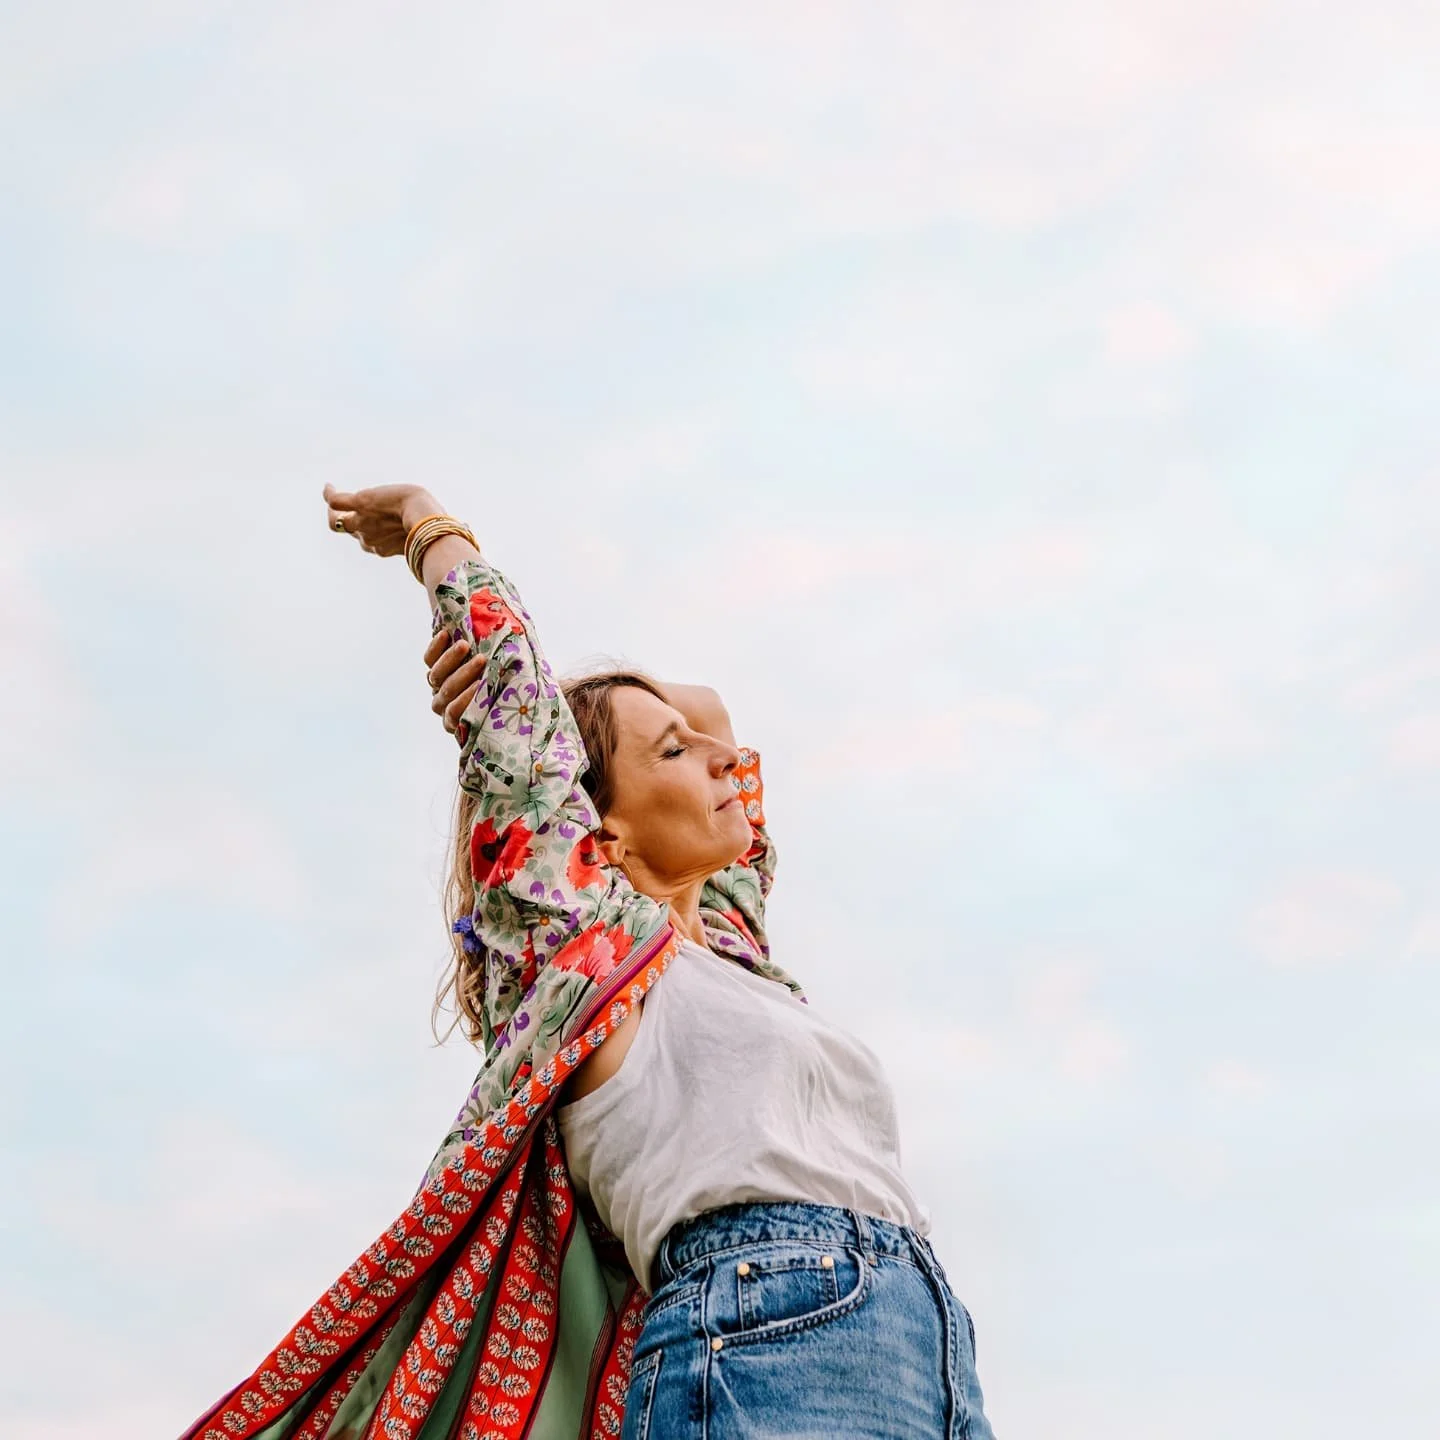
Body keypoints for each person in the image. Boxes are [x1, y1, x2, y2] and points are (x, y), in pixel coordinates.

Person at [181, 484, 997, 1440]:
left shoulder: (733, 952)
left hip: (925, 1343)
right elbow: (519, 723)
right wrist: (436, 539)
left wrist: (632, 715)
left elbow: (712, 712)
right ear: (596, 832)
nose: (720, 763)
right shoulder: (584, 951)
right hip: (760, 1331)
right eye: (673, 755)